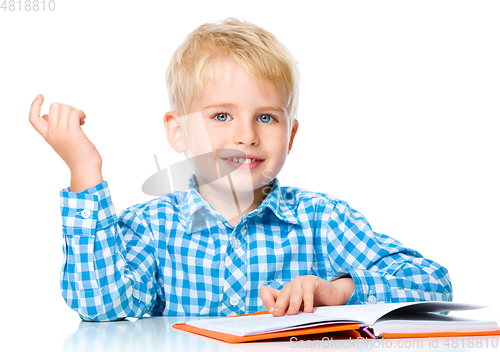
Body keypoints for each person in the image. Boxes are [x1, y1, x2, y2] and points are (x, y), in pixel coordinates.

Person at [29, 18, 452, 322]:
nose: (247, 136)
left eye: (266, 118)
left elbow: (434, 284)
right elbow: (102, 306)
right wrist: (84, 169)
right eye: (221, 116)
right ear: (178, 132)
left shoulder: (323, 220)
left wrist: (340, 290)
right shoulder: (153, 227)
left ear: (291, 134)